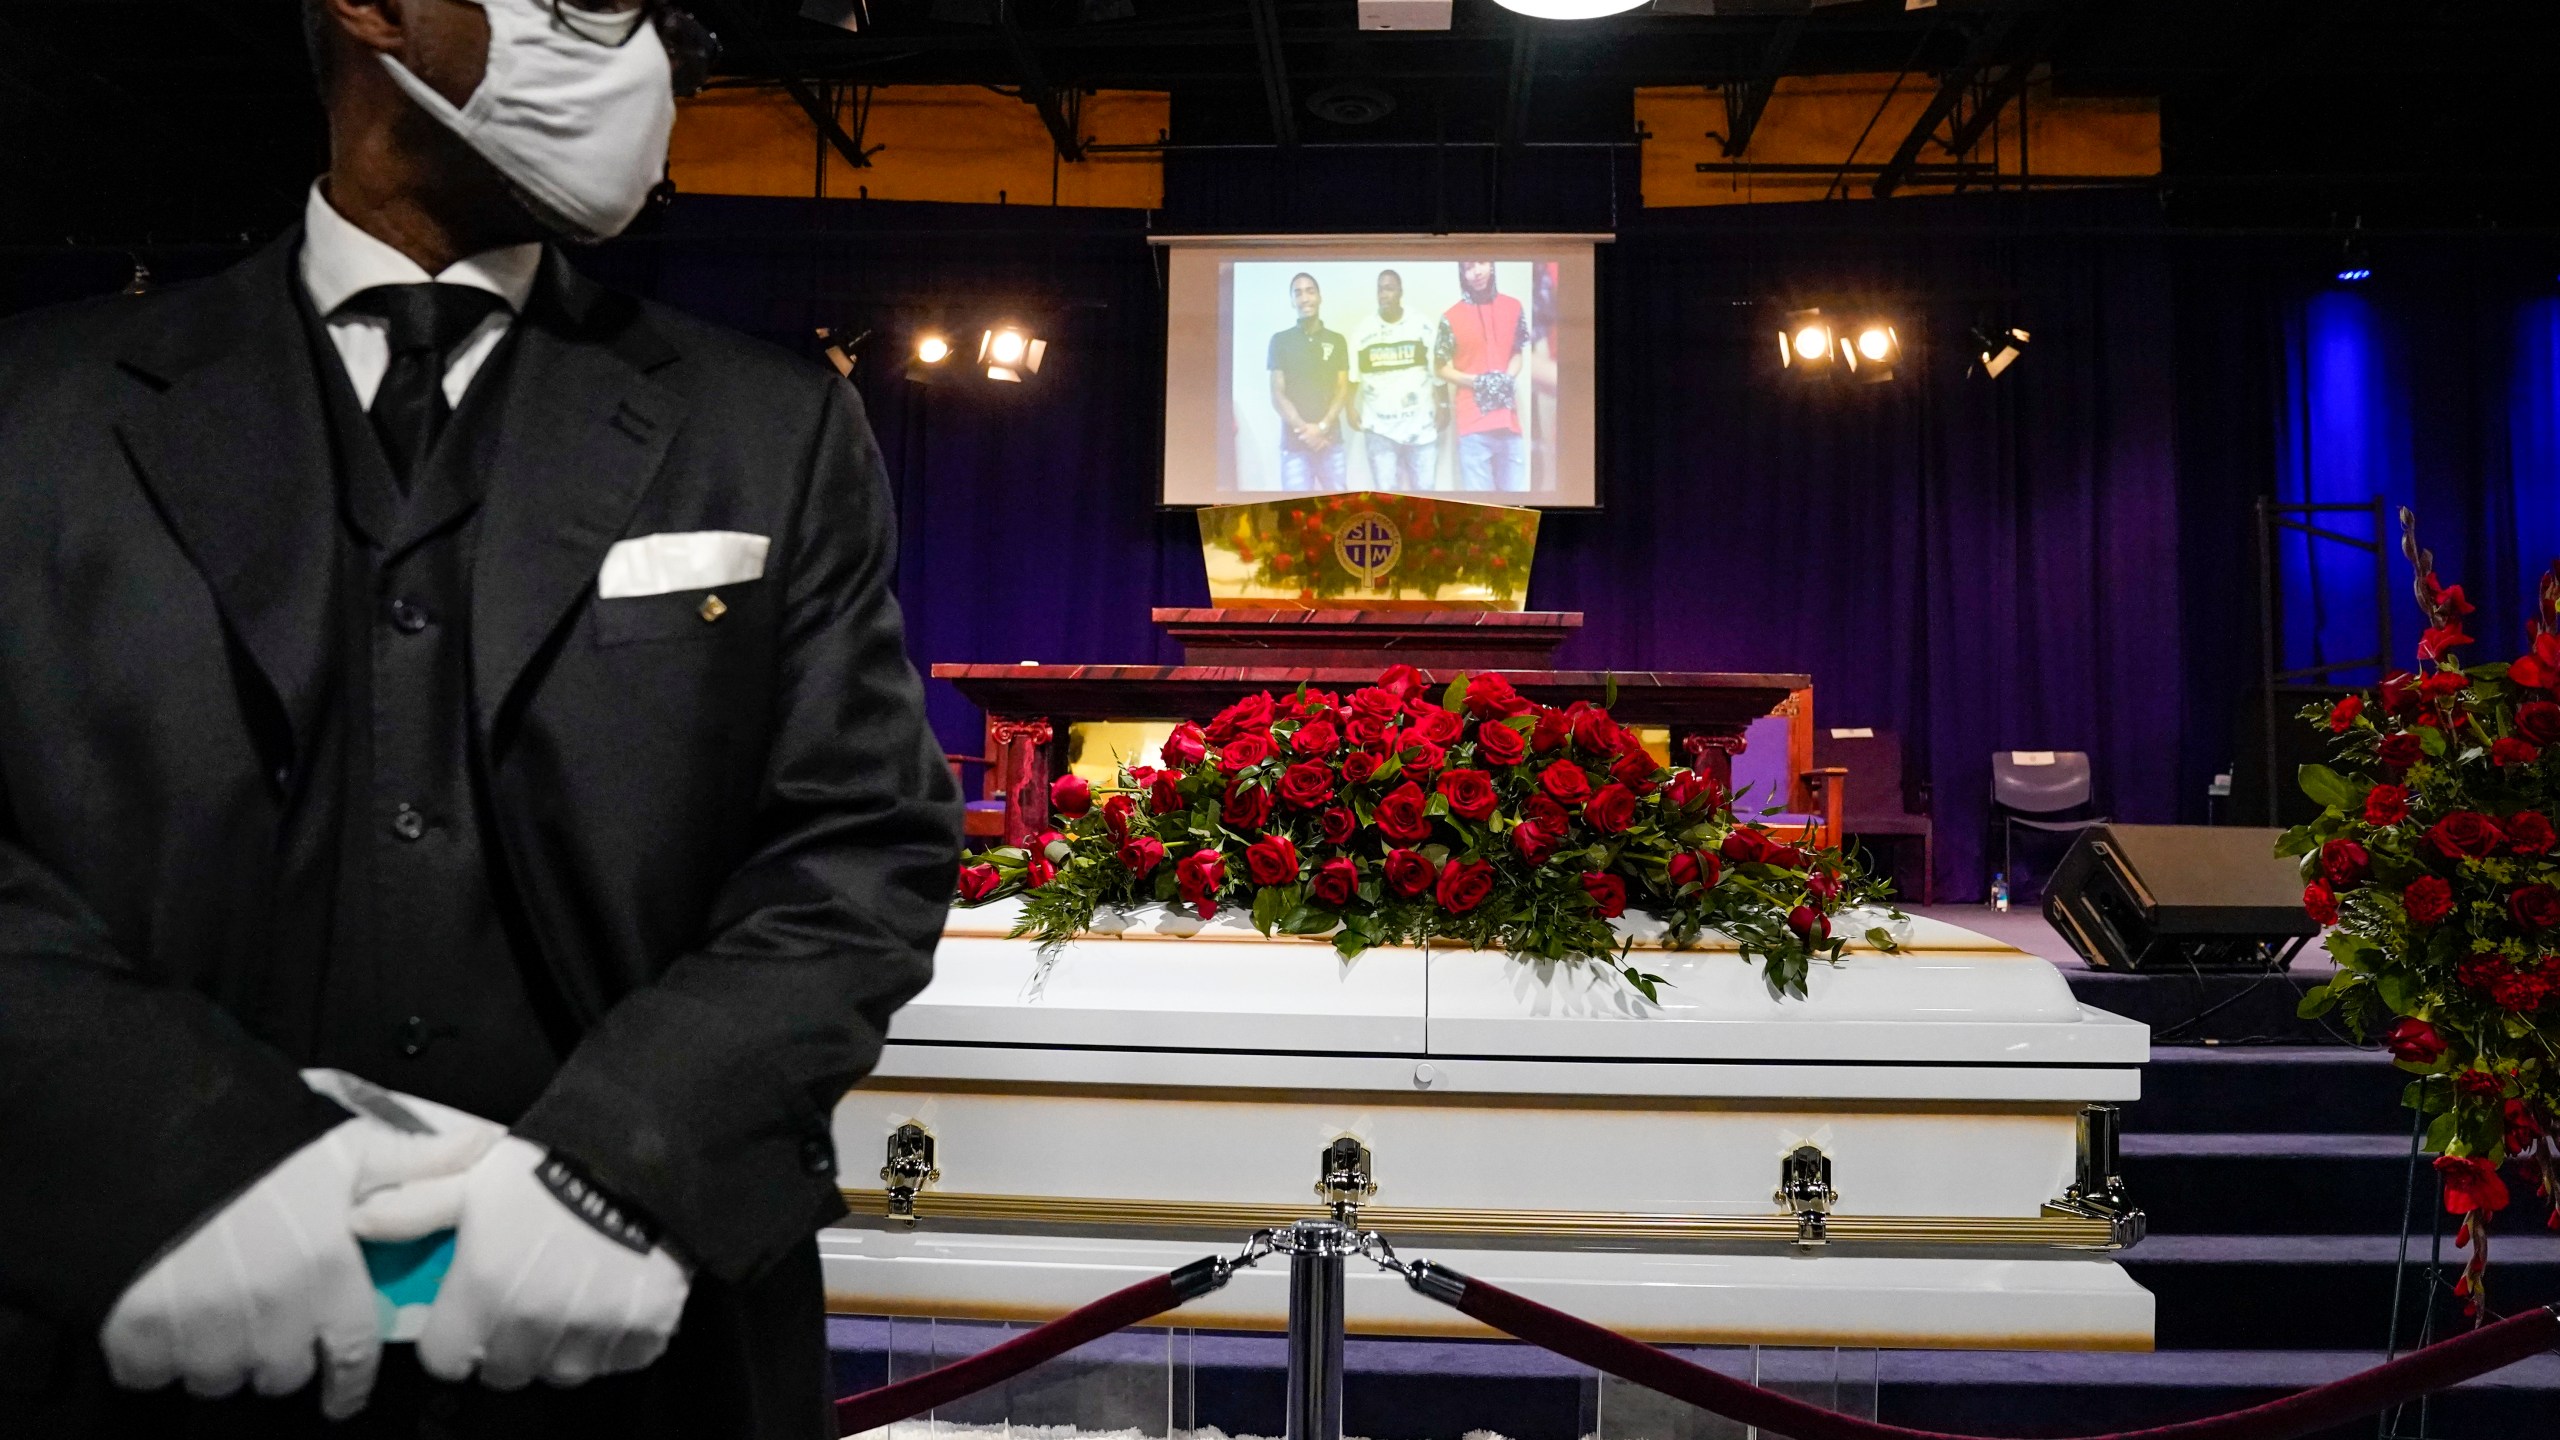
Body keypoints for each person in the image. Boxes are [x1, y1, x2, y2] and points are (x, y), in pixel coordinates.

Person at [0, 1, 962, 1436]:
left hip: (642, 1354)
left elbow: (856, 849)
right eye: (590, 4)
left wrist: (626, 1170)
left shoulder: (768, 426)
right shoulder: (35, 410)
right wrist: (172, 1155)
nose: (649, 60)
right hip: (141, 1346)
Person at [1434, 259, 1531, 493]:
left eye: (1481, 263)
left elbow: (1517, 352)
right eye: (1468, 267)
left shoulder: (1514, 307)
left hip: (1509, 423)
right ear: (1462, 273)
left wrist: (1505, 378)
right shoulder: (1451, 316)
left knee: (1518, 509)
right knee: (1482, 513)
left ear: (1492, 266)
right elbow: (1439, 367)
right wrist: (1476, 382)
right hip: (1472, 426)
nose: (1476, 272)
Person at [1348, 268, 1442, 491]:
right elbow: (1352, 377)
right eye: (1380, 289)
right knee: (1386, 502)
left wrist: (1444, 404)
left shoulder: (1422, 325)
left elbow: (1437, 371)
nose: (1383, 294)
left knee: (1426, 499)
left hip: (1420, 426)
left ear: (1400, 292)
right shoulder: (1363, 331)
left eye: (1389, 289)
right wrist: (1349, 407)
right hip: (1379, 429)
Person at [1266, 271, 1349, 491]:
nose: (1305, 298)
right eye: (1298, 293)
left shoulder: (1337, 340)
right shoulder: (1280, 341)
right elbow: (1277, 393)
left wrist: (1322, 428)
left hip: (1331, 443)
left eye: (1310, 291)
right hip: (1294, 448)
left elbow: (1342, 389)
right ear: (1292, 301)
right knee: (1295, 519)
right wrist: (1306, 431)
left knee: (1341, 515)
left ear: (1319, 297)